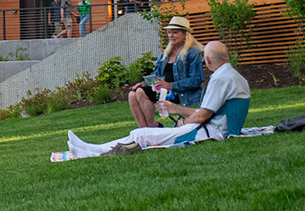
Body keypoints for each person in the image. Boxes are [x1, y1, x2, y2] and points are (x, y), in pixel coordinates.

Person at [66, 41, 250, 158]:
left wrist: (184, 121)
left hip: (207, 133)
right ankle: (90, 150)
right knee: (142, 134)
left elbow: (202, 116)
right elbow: (208, 112)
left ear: (207, 60)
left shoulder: (220, 79)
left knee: (142, 134)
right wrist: (176, 109)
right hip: (210, 127)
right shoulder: (234, 76)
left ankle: (91, 152)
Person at [124, 16, 205, 129]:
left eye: (175, 32)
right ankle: (144, 131)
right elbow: (157, 77)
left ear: (184, 35)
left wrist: (170, 85)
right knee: (133, 94)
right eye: (169, 32)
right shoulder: (164, 55)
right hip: (163, 92)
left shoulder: (193, 53)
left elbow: (195, 80)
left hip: (182, 94)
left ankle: (153, 127)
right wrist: (146, 83)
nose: (171, 35)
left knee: (141, 92)